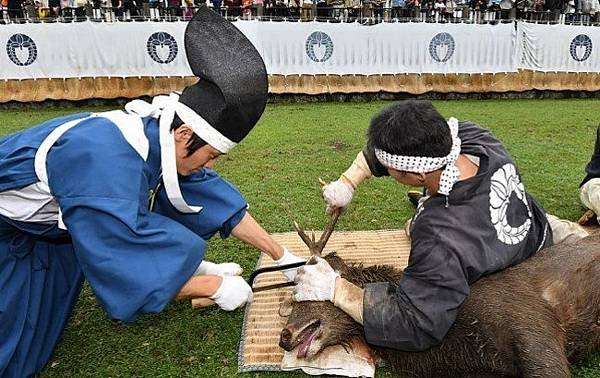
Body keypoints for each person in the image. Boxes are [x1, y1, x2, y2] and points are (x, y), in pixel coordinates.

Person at [0, 8, 303, 378]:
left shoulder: (158, 138)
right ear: (185, 135)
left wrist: (282, 256)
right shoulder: (103, 159)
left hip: (53, 232)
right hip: (12, 231)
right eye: (211, 156)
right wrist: (212, 285)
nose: (211, 166)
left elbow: (215, 200)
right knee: (15, 351)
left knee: (42, 330)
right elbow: (122, 260)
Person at [293, 100, 587, 352]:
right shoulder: (475, 138)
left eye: (392, 168)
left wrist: (336, 289)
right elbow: (388, 153)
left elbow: (416, 322)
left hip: (526, 261)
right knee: (421, 228)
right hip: (530, 221)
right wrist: (348, 182)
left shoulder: (440, 235)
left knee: (427, 243)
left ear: (415, 175)